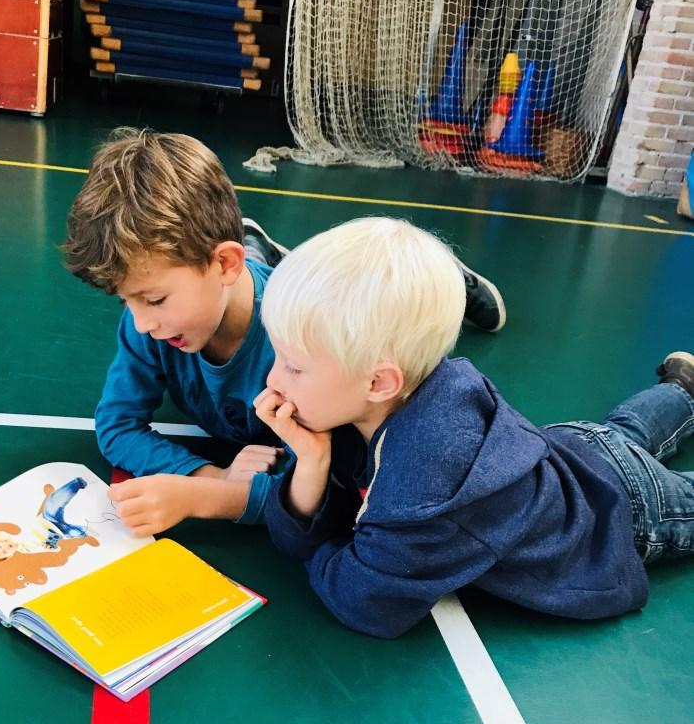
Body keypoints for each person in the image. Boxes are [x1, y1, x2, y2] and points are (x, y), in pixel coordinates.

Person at [253, 216, 694, 637]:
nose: (273, 382)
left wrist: (318, 545)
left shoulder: (429, 476)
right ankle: (683, 388)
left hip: (623, 509)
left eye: (293, 367)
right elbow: (293, 533)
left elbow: (367, 601)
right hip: (576, 450)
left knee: (628, 450)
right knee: (620, 434)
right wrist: (311, 465)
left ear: (379, 382)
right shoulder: (368, 404)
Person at [63, 127, 507, 537]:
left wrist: (213, 499)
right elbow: (117, 426)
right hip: (242, 273)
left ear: (222, 264)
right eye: (128, 300)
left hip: (336, 299)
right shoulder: (149, 324)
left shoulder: (304, 343)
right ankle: (258, 246)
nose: (142, 323)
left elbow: (311, 487)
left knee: (381, 307)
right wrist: (207, 474)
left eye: (155, 300)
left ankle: (445, 271)